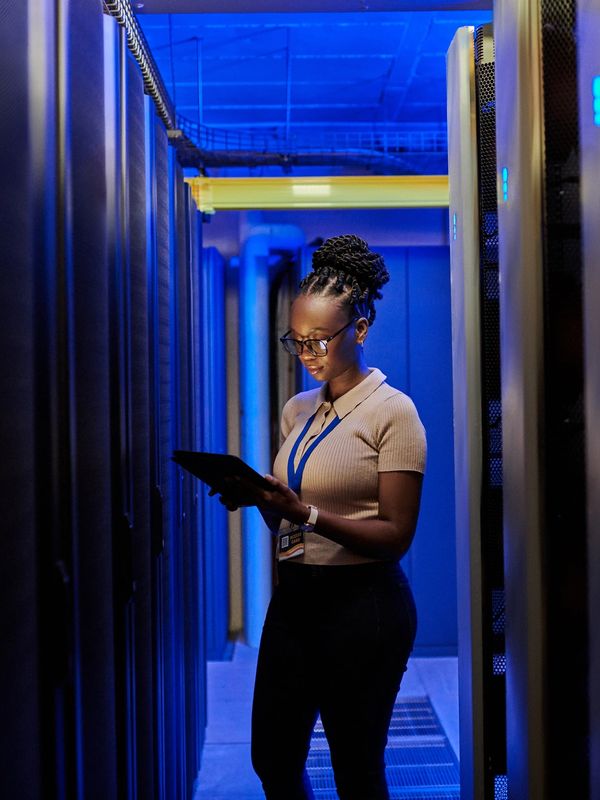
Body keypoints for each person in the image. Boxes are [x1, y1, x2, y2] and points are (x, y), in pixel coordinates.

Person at [221, 235, 426, 800]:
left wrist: (305, 512)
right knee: (273, 759)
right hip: (296, 603)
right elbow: (289, 524)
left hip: (365, 607)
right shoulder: (298, 410)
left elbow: (395, 536)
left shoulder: (394, 412)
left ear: (359, 329)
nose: (307, 354)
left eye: (320, 341)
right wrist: (264, 501)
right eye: (297, 341)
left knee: (356, 768)